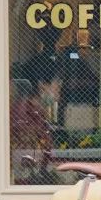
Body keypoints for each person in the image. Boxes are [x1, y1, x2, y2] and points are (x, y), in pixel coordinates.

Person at [9, 55, 61, 183]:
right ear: (42, 85)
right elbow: (27, 164)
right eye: (57, 83)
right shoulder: (24, 116)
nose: (60, 88)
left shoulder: (37, 114)